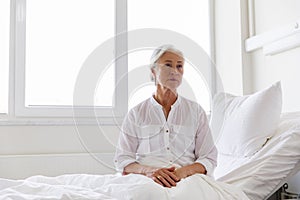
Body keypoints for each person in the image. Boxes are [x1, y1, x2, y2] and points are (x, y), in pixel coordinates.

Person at [114, 44, 217, 188]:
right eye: (168, 65)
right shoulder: (136, 113)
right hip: (147, 180)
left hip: (187, 180)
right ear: (153, 71)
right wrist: (150, 171)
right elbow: (123, 160)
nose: (175, 71)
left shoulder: (196, 112)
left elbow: (209, 158)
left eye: (179, 66)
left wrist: (182, 173)